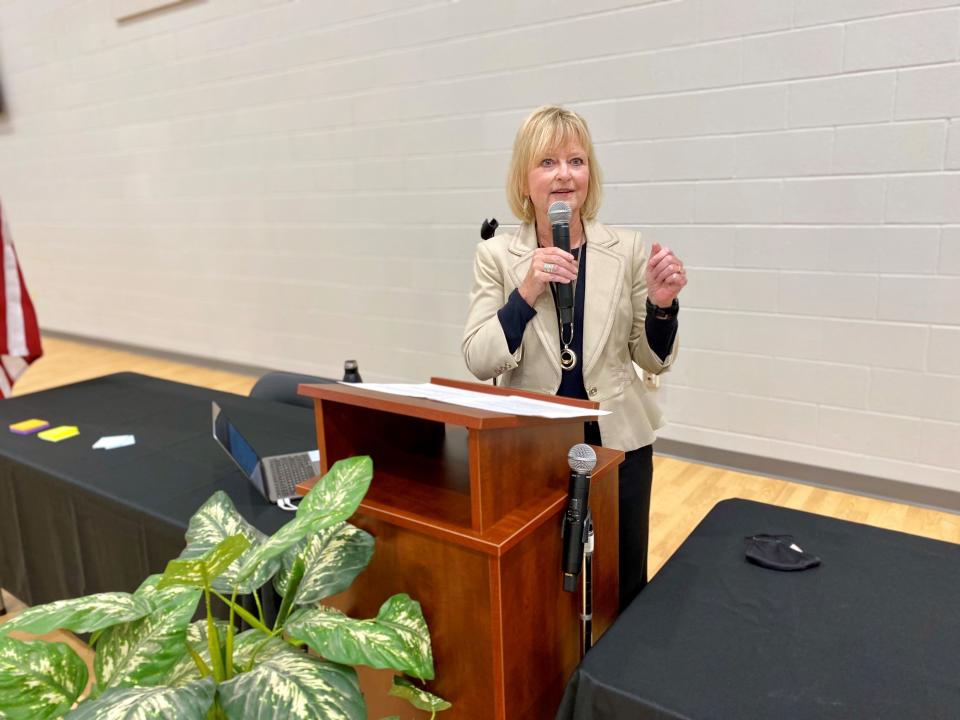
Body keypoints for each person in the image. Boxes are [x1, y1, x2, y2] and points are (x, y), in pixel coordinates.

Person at [462, 105, 687, 610]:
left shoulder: (626, 249)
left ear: (590, 175)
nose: (564, 174)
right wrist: (526, 290)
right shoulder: (497, 257)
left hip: (619, 446)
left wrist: (662, 307)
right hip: (532, 449)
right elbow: (479, 359)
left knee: (621, 583)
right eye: (547, 162)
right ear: (525, 179)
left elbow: (650, 359)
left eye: (576, 161)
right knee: (542, 587)